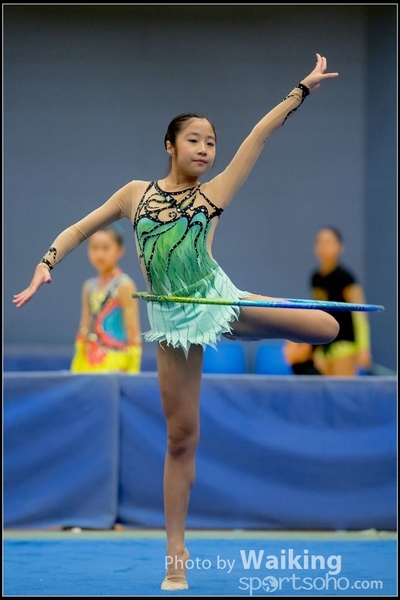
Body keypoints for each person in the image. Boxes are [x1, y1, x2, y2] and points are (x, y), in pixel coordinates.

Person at [13, 53, 340, 591]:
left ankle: (254, 309)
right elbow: (77, 229)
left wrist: (299, 91)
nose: (206, 149)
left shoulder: (213, 195)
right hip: (172, 324)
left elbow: (258, 136)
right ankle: (175, 552)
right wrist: (44, 265)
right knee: (182, 437)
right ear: (170, 145)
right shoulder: (134, 195)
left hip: (219, 302)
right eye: (195, 140)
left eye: (211, 142)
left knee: (327, 328)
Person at [70, 224, 142, 373]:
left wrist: (133, 366)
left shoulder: (124, 285)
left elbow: (132, 328)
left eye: (105, 248)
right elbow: (85, 324)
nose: (99, 254)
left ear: (120, 250)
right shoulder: (89, 286)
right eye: (94, 248)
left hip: (116, 360)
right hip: (88, 360)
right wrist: (79, 356)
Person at [310, 225, 372, 376]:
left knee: (342, 388)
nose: (323, 246)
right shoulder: (315, 278)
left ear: (339, 247)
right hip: (324, 347)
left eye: (328, 242)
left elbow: (360, 313)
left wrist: (364, 348)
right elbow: (317, 311)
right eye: (320, 242)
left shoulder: (346, 278)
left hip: (344, 346)